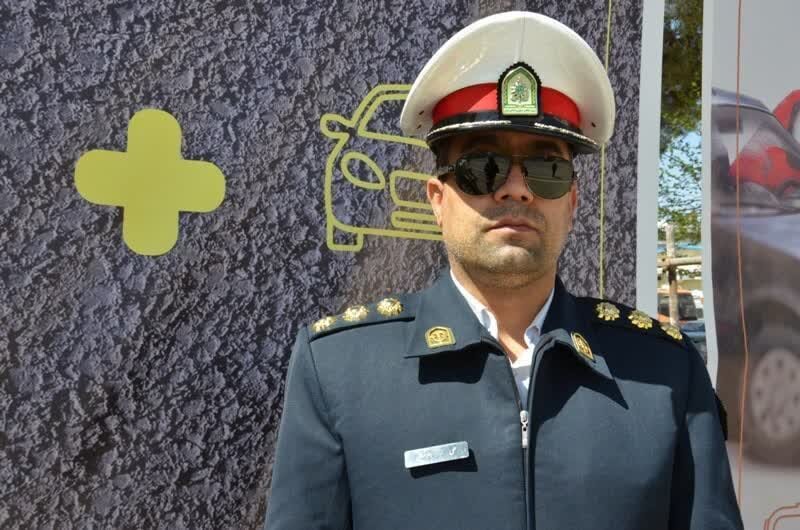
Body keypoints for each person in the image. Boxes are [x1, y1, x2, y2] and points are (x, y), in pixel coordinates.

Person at [264, 11, 743, 530]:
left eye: (547, 169)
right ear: (437, 199)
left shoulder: (663, 373)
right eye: (482, 167)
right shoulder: (340, 369)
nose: (516, 189)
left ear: (572, 203)